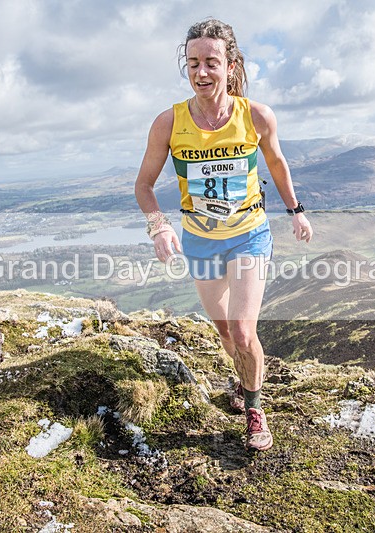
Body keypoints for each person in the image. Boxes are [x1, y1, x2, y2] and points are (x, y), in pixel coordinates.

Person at [134, 18, 312, 452]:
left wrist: (296, 212)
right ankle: (243, 379)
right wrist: (159, 226)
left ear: (231, 65)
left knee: (244, 331)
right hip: (200, 240)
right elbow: (143, 185)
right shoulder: (168, 124)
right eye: (193, 63)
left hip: (248, 235)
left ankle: (254, 408)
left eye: (211, 62)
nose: (201, 72)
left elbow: (277, 165)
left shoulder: (256, 116)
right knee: (227, 336)